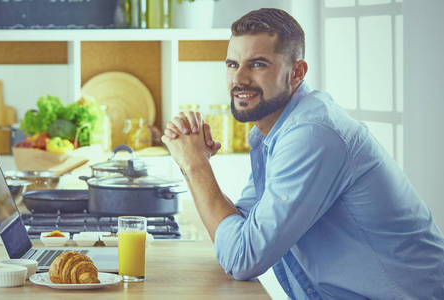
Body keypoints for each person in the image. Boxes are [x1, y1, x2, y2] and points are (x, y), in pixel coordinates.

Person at [161, 8, 444, 299]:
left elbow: (242, 259)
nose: (239, 78)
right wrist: (192, 161)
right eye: (232, 64)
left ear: (297, 73)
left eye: (257, 64)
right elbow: (240, 230)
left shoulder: (311, 135)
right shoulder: (270, 133)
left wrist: (195, 165)